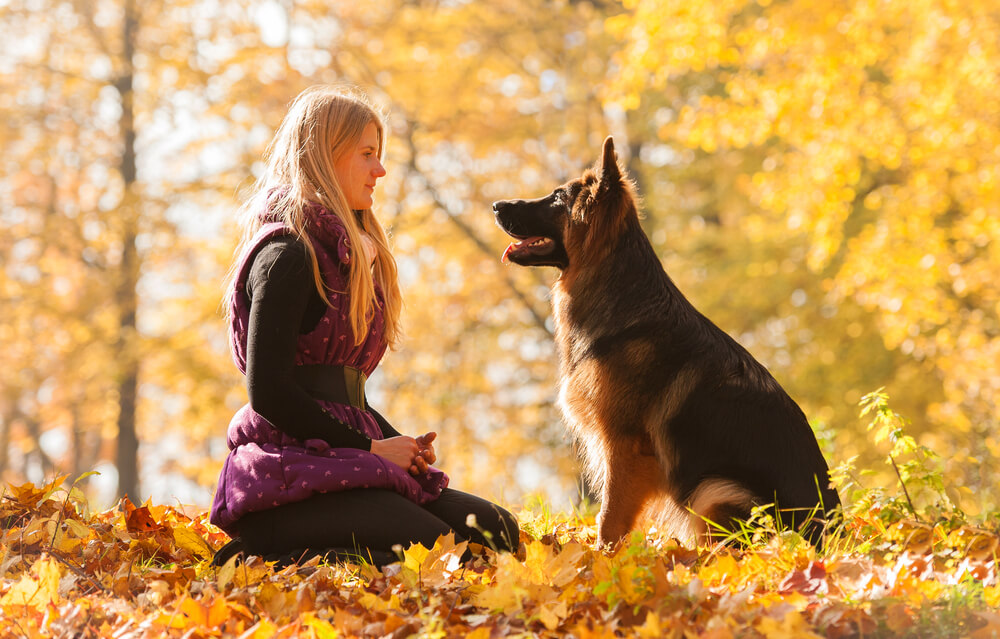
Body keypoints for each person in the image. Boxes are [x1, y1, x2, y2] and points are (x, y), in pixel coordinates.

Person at [209, 85, 519, 567]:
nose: (381, 170)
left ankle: (354, 548)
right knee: (437, 549)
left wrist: (402, 447)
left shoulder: (346, 260)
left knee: (496, 531)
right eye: (367, 154)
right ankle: (266, 555)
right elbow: (267, 392)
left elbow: (344, 397)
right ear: (325, 156)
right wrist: (374, 448)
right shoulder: (287, 256)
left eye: (381, 154)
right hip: (284, 477)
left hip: (341, 458)